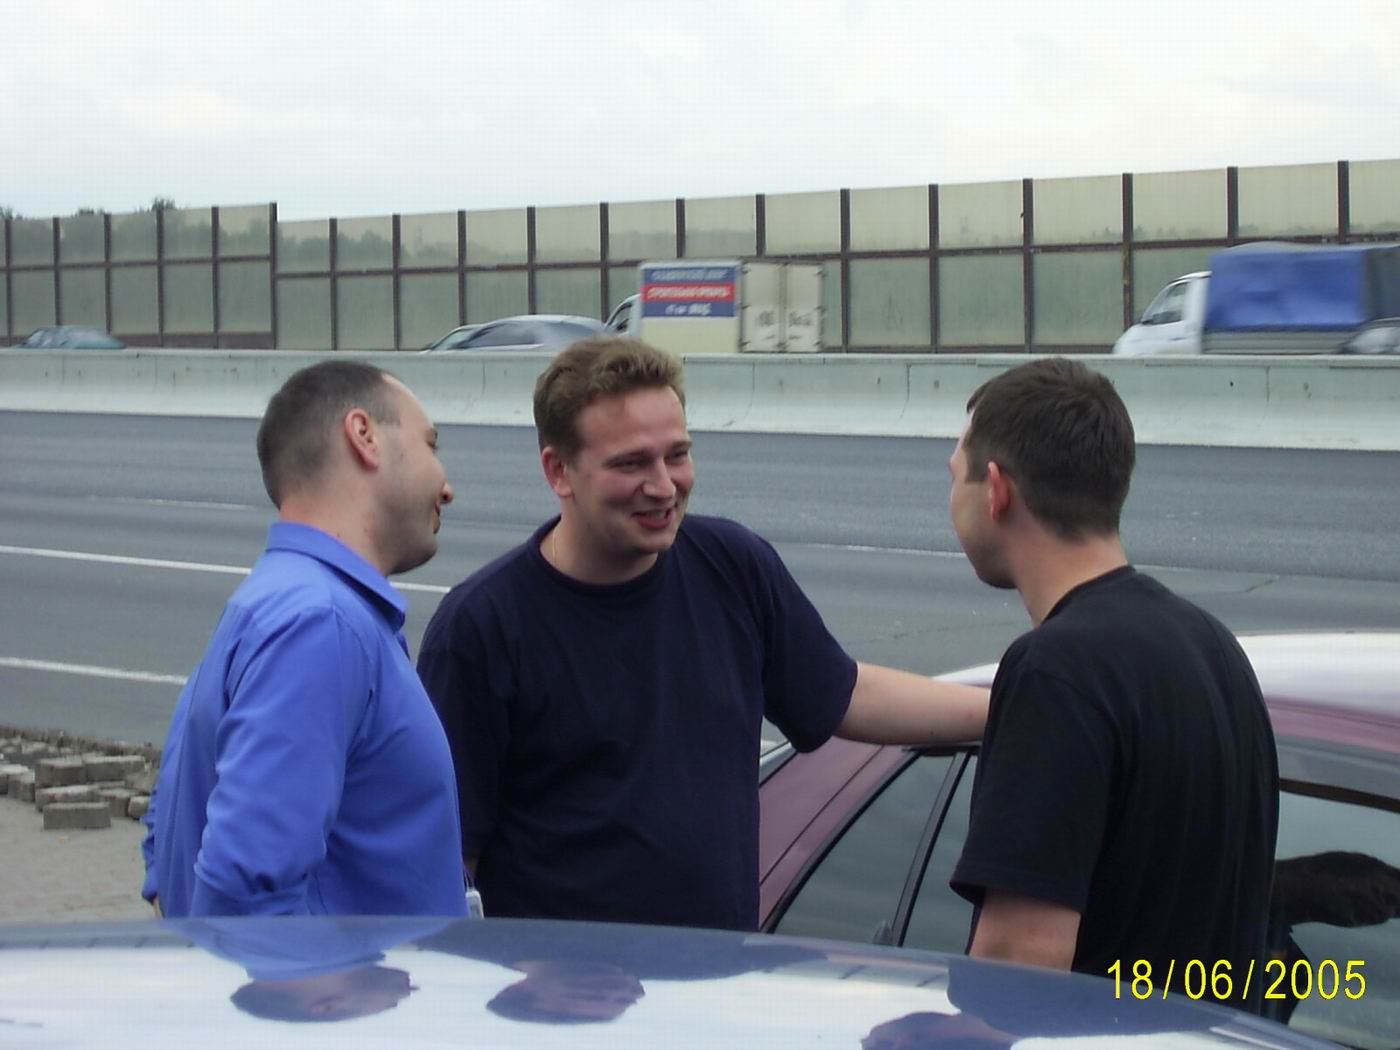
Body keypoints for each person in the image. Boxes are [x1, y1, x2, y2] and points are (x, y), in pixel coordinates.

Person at [417, 336, 988, 931]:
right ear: (559, 471)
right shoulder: (482, 628)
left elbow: (845, 695)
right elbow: (445, 861)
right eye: (631, 464)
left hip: (721, 977)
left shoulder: (733, 565)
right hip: (563, 986)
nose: (664, 486)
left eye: (677, 455)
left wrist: (1010, 706)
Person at [945, 357, 1278, 1008]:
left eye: (955, 474)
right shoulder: (1214, 648)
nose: (952, 493)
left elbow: (1018, 966)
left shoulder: (1055, 672)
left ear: (996, 490)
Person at [142, 360, 467, 917]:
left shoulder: (274, 602)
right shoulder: (320, 623)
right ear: (364, 435)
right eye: (430, 444)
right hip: (352, 980)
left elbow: (169, 838)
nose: (448, 486)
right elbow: (245, 896)